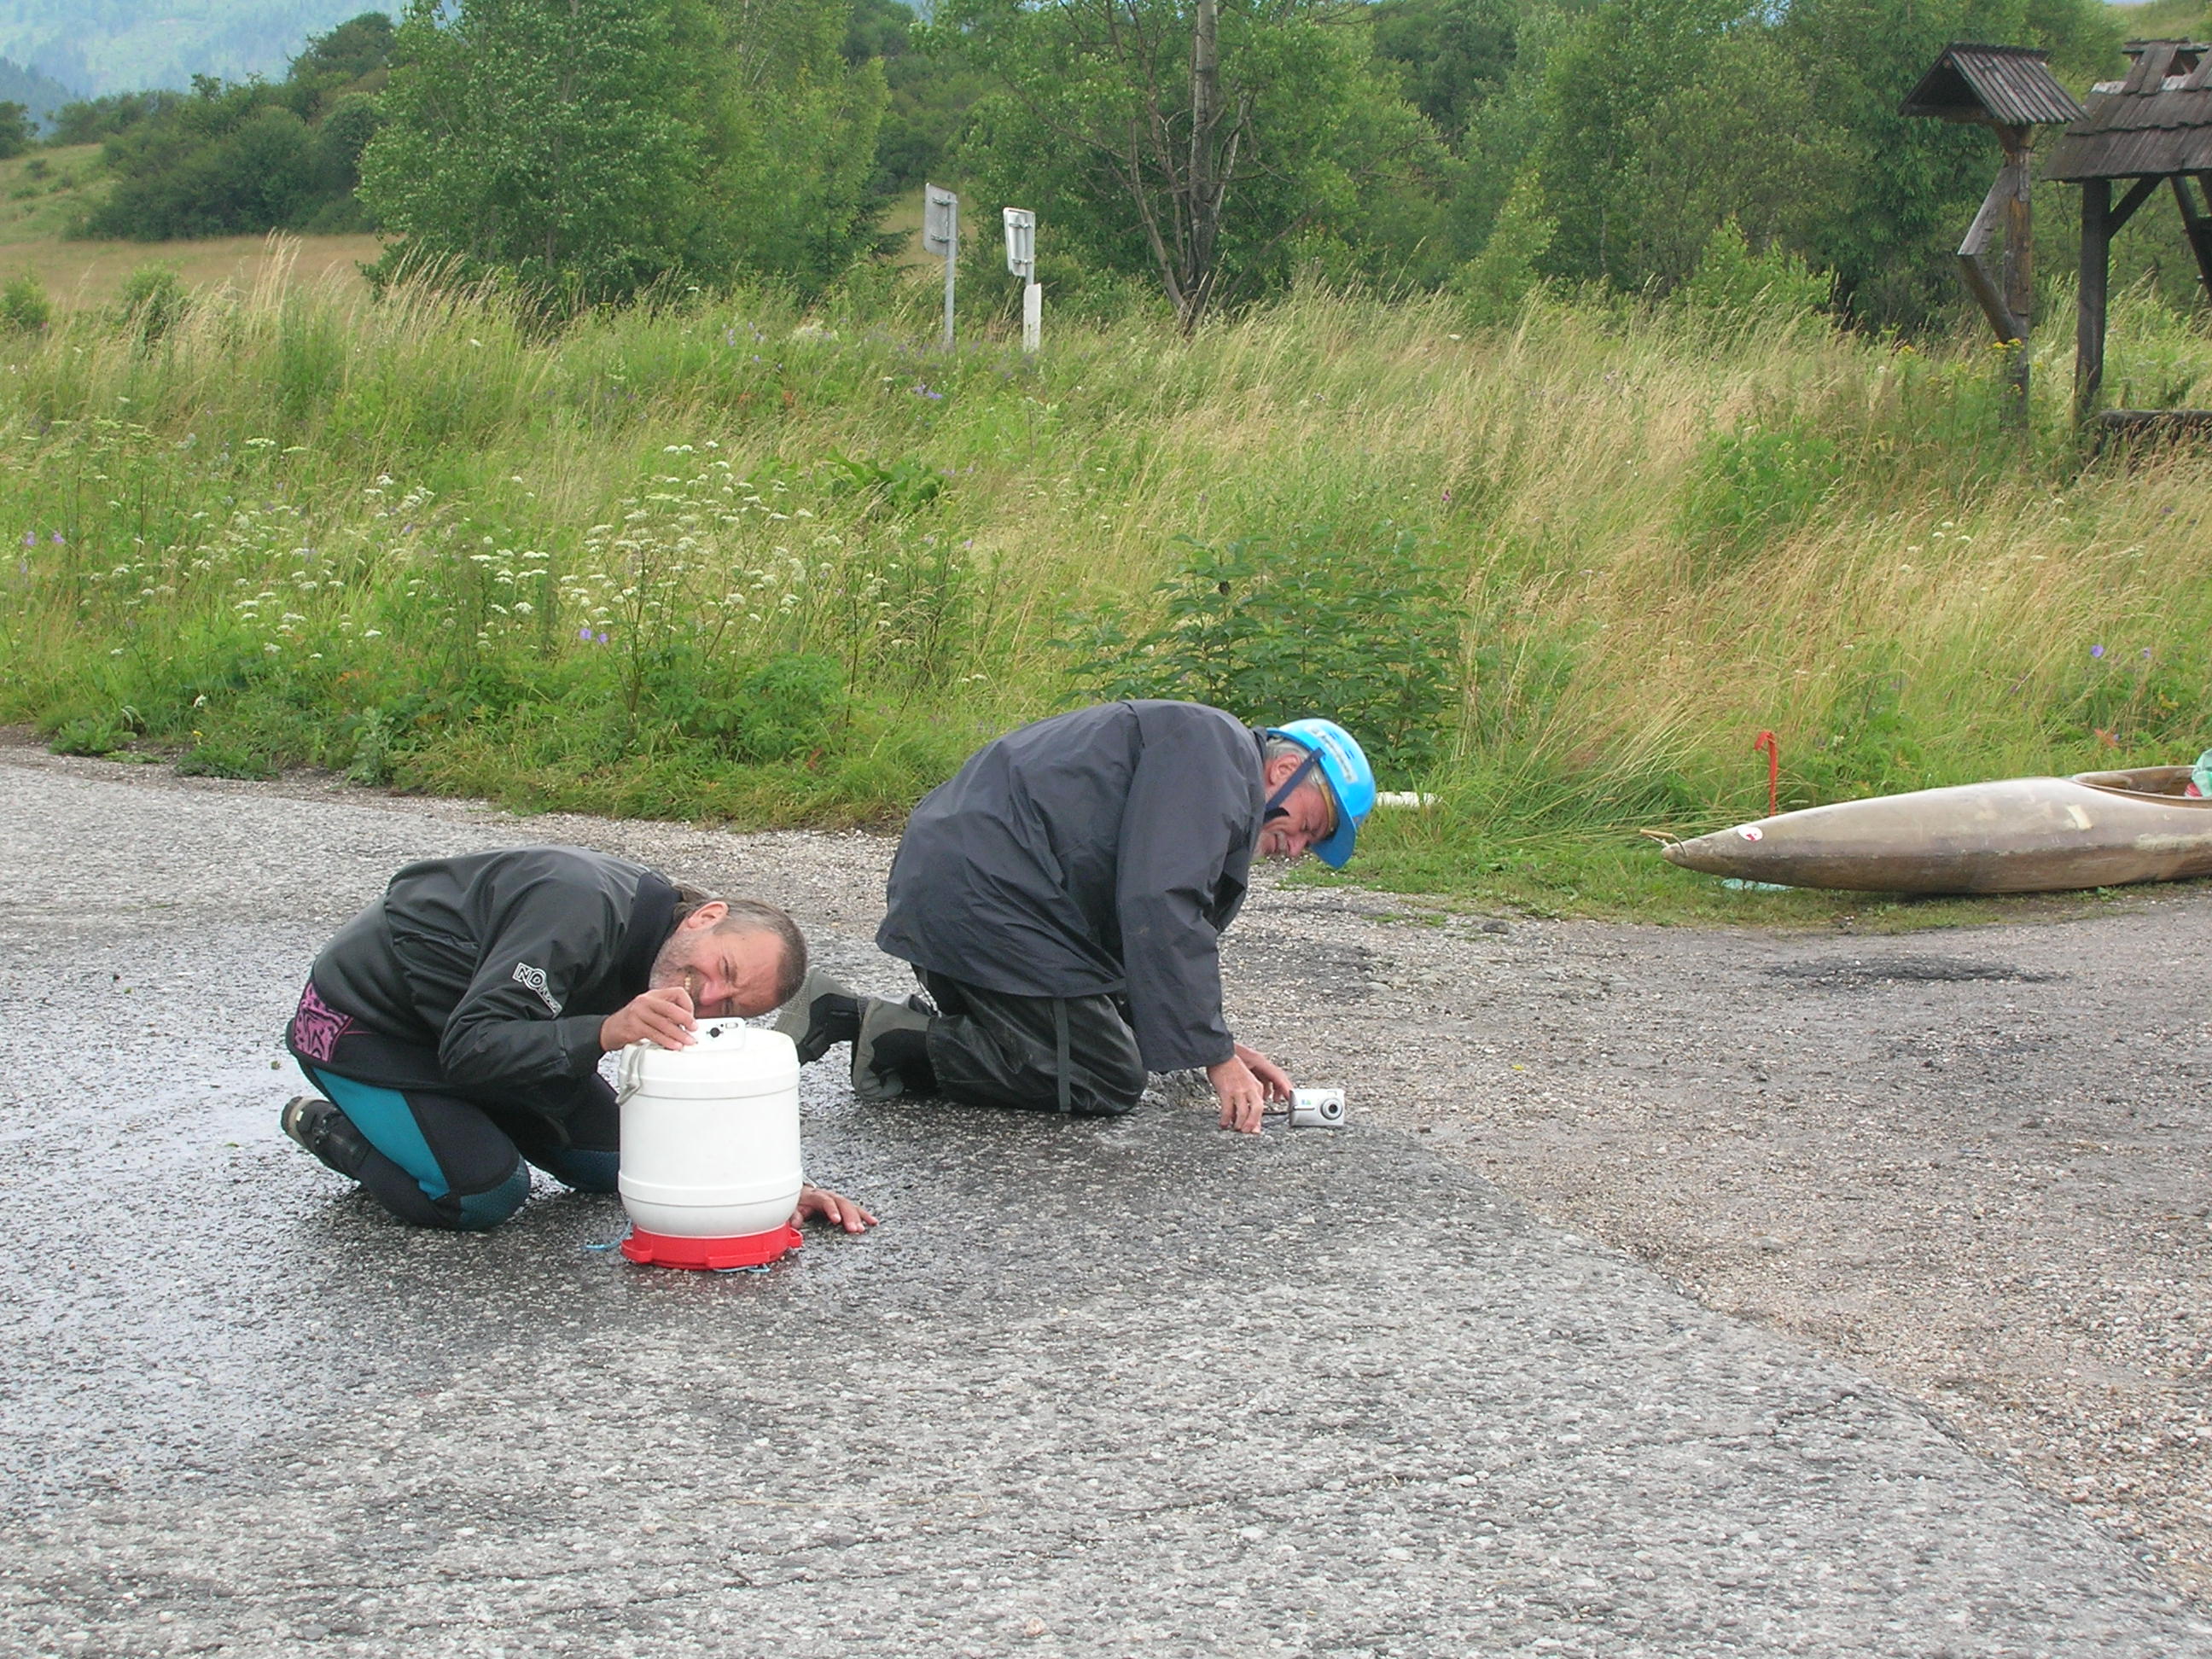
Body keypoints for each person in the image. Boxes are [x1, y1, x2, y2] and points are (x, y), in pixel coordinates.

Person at [776, 702, 1376, 1133]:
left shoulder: (1206, 759)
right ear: (1284, 772)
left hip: (982, 900)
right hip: (985, 901)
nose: (1298, 848)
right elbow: (1162, 905)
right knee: (1102, 1075)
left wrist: (1212, 1042)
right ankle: (873, 1029)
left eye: (1313, 845)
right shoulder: (1215, 754)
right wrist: (1215, 1055)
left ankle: (927, 1031)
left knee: (1109, 1049)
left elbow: (1135, 931)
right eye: (1310, 825)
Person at [279, 845, 876, 1235]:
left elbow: (683, 1112)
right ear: (705, 915)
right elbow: (470, 1049)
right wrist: (607, 1031)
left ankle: (463, 1122)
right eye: (723, 969)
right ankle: (334, 1130)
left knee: (620, 1165)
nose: (709, 998)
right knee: (483, 1193)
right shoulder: (578, 910)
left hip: (483, 1030)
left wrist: (776, 1191)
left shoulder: (665, 954)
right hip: (368, 1028)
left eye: (732, 1007)